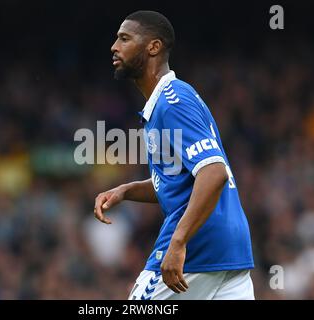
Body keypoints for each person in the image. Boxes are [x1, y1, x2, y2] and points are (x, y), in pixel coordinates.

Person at [94, 10, 255, 300]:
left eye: (124, 38)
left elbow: (214, 172)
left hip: (198, 246)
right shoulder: (168, 102)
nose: (114, 47)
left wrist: (179, 242)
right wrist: (126, 190)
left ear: (153, 47)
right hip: (230, 250)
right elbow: (181, 181)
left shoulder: (173, 101)